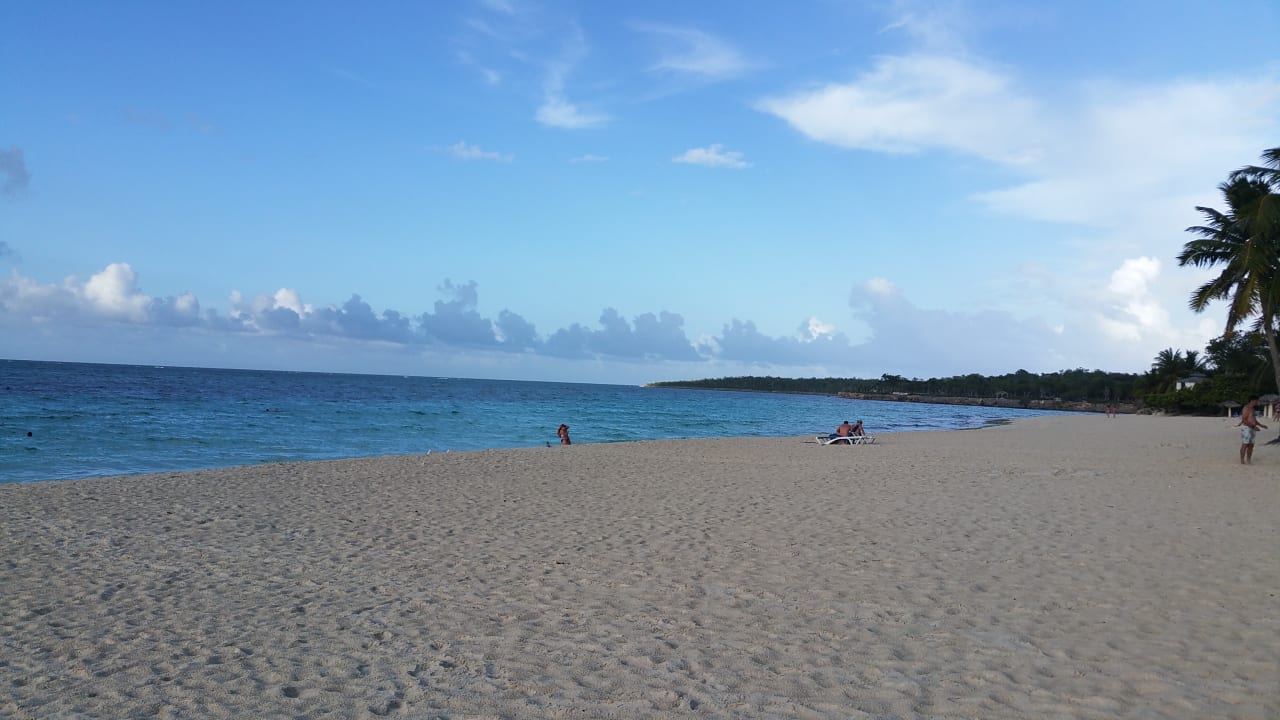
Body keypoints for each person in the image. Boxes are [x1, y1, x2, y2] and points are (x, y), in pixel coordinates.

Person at [1238, 396, 1267, 465]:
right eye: (1257, 401)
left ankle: (1248, 460)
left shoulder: (1252, 409)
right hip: (1246, 428)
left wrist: (1261, 425)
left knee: (1251, 445)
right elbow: (1244, 420)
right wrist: (1254, 426)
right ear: (1252, 401)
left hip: (1252, 428)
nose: (1257, 402)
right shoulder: (1246, 408)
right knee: (1245, 444)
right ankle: (1242, 460)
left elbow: (1254, 419)